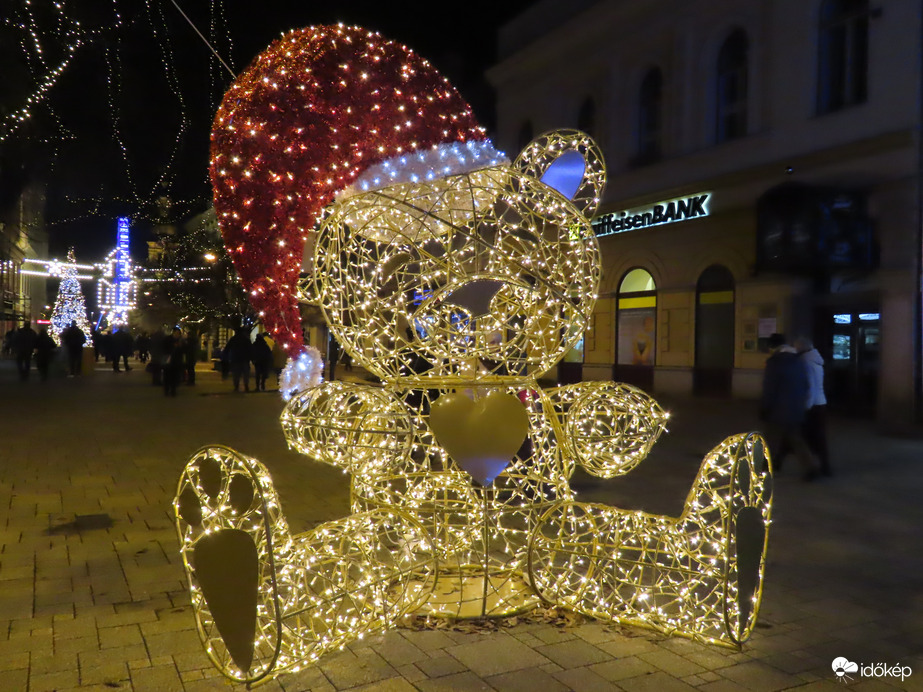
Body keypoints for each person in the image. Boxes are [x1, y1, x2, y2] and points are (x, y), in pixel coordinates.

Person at [760, 333, 818, 481]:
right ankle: (810, 468)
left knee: (772, 438)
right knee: (796, 439)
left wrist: (765, 408)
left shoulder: (774, 363)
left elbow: (770, 389)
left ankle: (766, 467)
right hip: (796, 408)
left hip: (778, 409)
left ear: (772, 347)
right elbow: (806, 385)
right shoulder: (799, 361)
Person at [795, 336, 833, 477]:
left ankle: (814, 468)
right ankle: (824, 466)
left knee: (807, 437)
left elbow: (810, 387)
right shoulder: (816, 360)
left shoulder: (805, 362)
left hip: (813, 405)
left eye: (797, 347)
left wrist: (806, 407)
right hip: (821, 402)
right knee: (819, 437)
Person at [226, 327, 253, 392]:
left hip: (236, 359)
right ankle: (246, 386)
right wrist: (251, 358)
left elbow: (227, 348)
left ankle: (236, 386)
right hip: (245, 359)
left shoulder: (233, 339)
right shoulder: (246, 339)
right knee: (245, 374)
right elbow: (251, 349)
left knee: (236, 374)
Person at [161, 327, 184, 396]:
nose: (177, 335)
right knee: (167, 376)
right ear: (173, 332)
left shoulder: (181, 340)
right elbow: (163, 349)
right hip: (168, 360)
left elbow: (183, 350)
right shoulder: (167, 339)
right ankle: (166, 390)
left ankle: (173, 390)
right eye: (176, 333)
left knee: (175, 376)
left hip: (176, 361)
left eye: (178, 333)